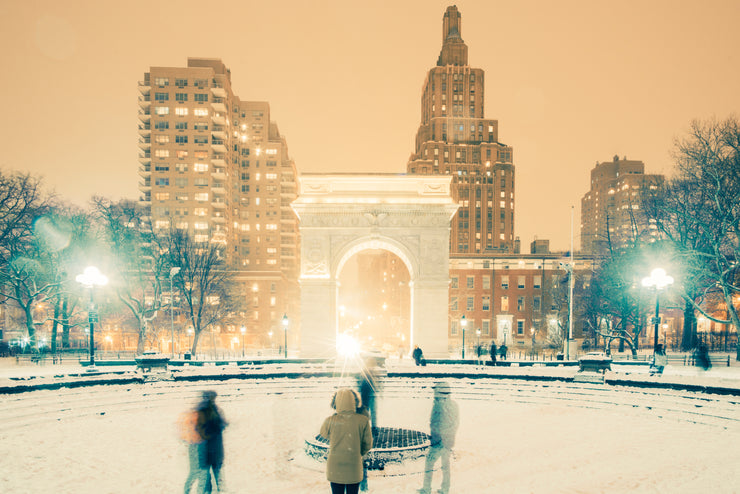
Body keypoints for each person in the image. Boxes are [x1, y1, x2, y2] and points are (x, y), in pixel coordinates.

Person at [320, 388, 373, 494]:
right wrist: (357, 453)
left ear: (335, 402)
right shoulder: (363, 420)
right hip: (354, 467)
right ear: (355, 401)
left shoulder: (329, 420)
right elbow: (367, 444)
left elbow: (323, 434)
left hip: (335, 468)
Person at [183, 390, 227, 493]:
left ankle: (214, 491)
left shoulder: (215, 411)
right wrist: (209, 434)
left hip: (213, 447)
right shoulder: (204, 412)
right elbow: (201, 429)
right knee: (206, 475)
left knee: (213, 474)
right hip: (207, 447)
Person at [419, 382, 459, 494]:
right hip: (448, 441)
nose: (434, 393)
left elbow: (436, 424)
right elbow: (455, 424)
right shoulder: (454, 405)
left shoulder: (439, 406)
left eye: (435, 391)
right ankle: (445, 489)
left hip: (439, 442)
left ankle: (426, 489)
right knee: (446, 466)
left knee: (429, 464)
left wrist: (438, 439)